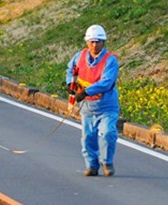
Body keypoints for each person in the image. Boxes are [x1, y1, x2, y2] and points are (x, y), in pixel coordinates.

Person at [66, 24, 120, 177]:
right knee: (88, 137)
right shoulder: (80, 56)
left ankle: (107, 162)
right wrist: (70, 84)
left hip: (106, 106)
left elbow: (107, 82)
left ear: (103, 42)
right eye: (92, 41)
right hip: (88, 107)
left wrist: (86, 92)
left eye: (98, 41)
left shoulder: (110, 60)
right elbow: (70, 70)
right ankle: (92, 165)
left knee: (107, 133)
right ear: (87, 42)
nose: (95, 45)